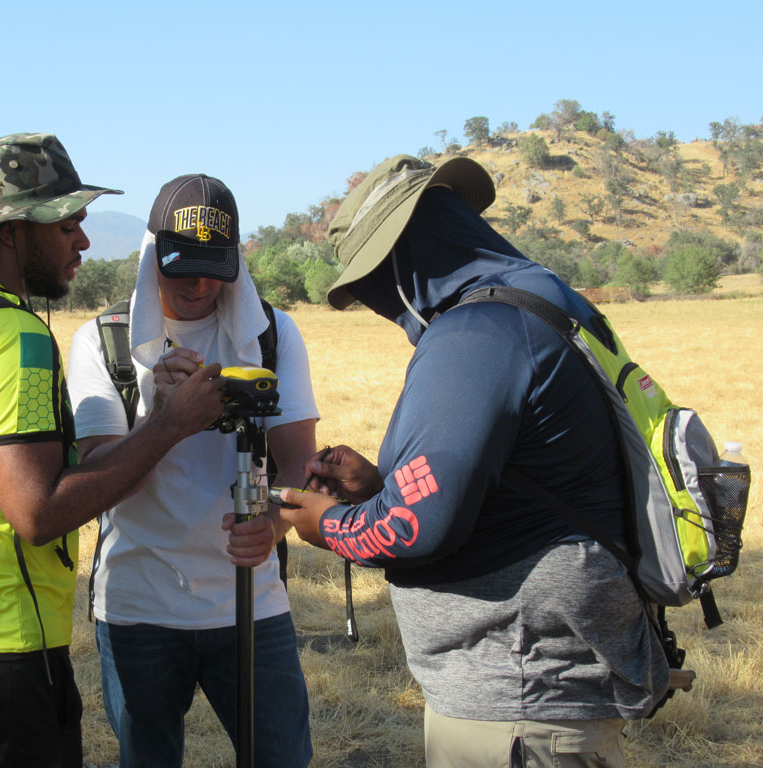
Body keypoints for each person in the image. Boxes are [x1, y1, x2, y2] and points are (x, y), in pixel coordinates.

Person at [278, 155, 670, 768]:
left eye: (372, 283)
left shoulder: (476, 331)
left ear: (402, 259)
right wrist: (381, 486)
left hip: (517, 694)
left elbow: (418, 527)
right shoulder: (541, 298)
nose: (382, 308)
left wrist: (325, 524)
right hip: (548, 681)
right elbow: (520, 479)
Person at [0, 133, 224, 768]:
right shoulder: (11, 337)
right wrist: (168, 426)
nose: (83, 239)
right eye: (66, 224)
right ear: (12, 232)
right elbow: (37, 511)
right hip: (6, 648)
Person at [67, 173, 318, 767]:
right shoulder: (103, 342)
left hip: (252, 604)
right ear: (152, 253)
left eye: (215, 267)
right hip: (138, 608)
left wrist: (273, 526)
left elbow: (298, 464)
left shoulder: (272, 335)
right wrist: (166, 419)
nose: (200, 284)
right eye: (181, 266)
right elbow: (95, 479)